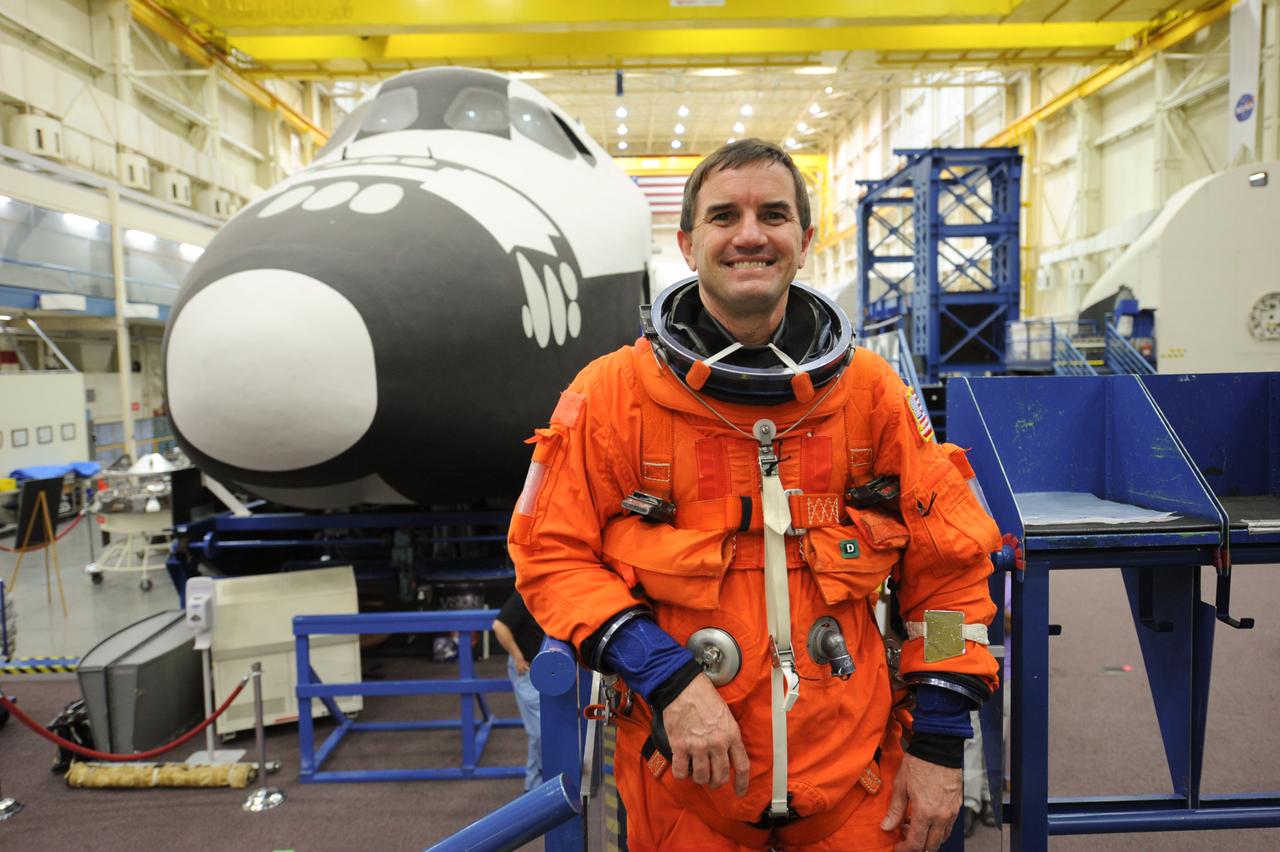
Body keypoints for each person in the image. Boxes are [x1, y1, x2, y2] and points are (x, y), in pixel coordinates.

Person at [509, 138, 1001, 852]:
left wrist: (941, 742)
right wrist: (665, 674)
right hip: (680, 790)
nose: (748, 235)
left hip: (856, 788)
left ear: (804, 239)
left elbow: (950, 577)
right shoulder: (611, 397)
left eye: (772, 215)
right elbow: (549, 554)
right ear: (686, 242)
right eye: (723, 217)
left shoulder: (871, 395)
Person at [492, 590, 546, 792]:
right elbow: (499, 626)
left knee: (542, 731)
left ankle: (536, 785)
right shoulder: (525, 594)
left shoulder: (550, 593)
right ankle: (534, 787)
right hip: (527, 669)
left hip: (544, 670)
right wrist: (517, 656)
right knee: (541, 732)